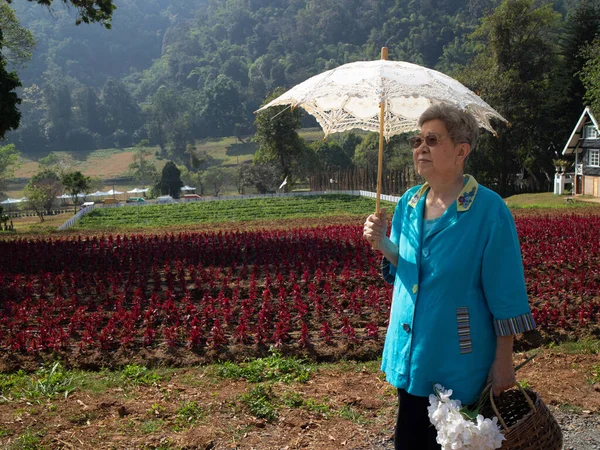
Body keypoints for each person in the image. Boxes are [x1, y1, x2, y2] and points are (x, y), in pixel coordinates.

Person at [363, 103, 535, 450]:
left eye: (432, 139)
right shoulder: (409, 203)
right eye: (416, 140)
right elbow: (408, 268)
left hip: (459, 356)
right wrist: (383, 243)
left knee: (455, 442)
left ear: (461, 151)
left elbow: (506, 292)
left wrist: (504, 362)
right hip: (412, 351)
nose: (420, 148)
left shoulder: (488, 210)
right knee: (409, 439)